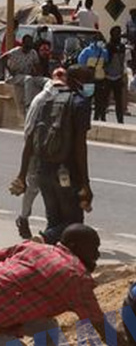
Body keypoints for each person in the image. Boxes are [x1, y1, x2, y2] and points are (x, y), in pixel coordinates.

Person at [10, 65, 95, 244]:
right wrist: (85, 183)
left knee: (54, 221)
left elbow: (31, 140)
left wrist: (22, 175)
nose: (91, 85)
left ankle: (46, 247)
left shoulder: (47, 101)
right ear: (78, 82)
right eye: (88, 80)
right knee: (73, 223)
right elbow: (80, 147)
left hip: (44, 170)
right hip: (67, 172)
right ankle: (42, 239)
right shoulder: (80, 103)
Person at [0, 35, 42, 114]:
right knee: (28, 79)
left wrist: (37, 73)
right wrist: (7, 71)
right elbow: (2, 59)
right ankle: (28, 104)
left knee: (40, 81)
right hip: (14, 76)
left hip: (25, 75)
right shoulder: (15, 52)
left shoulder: (33, 52)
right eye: (27, 45)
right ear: (23, 44)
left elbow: (37, 65)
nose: (28, 48)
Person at [78, 34, 110, 122]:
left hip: (100, 79)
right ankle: (86, 119)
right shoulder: (87, 51)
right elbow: (81, 63)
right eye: (100, 41)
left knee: (100, 101)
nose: (101, 43)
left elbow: (106, 62)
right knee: (87, 101)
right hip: (89, 80)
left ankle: (99, 117)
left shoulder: (104, 52)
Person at [100, 26, 127, 124]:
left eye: (119, 33)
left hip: (118, 76)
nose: (118, 35)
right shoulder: (107, 46)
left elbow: (123, 61)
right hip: (107, 76)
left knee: (119, 101)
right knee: (105, 99)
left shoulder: (122, 47)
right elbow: (104, 61)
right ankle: (102, 118)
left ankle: (120, 120)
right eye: (116, 33)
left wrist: (122, 74)